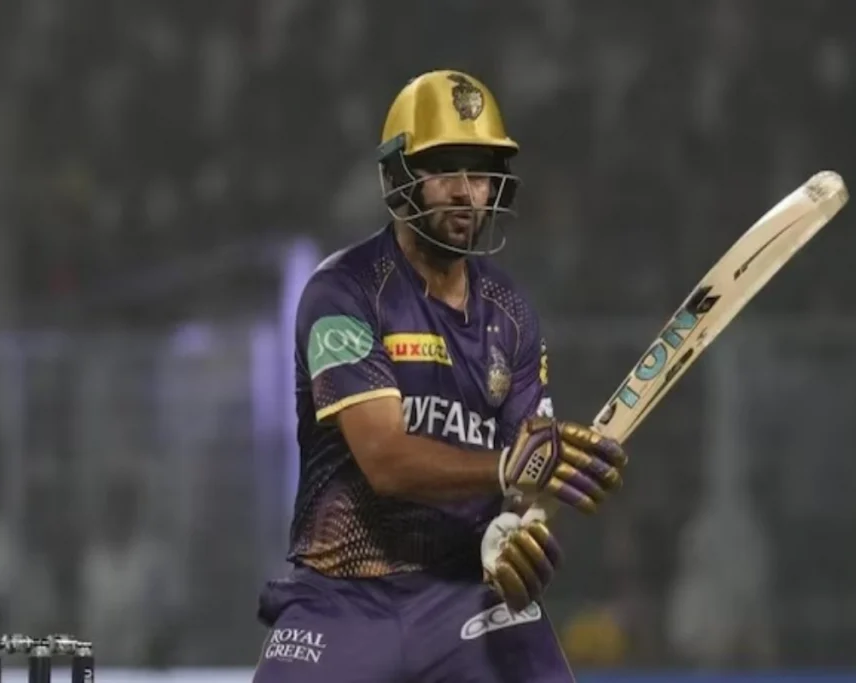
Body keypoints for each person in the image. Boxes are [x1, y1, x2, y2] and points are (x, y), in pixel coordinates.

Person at [254, 70, 628, 683]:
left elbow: (527, 473)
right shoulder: (343, 291)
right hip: (342, 598)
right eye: (444, 170)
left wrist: (520, 528)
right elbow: (384, 458)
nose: (464, 192)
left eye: (479, 173)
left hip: (464, 597)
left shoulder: (511, 313)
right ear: (398, 178)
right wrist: (506, 467)